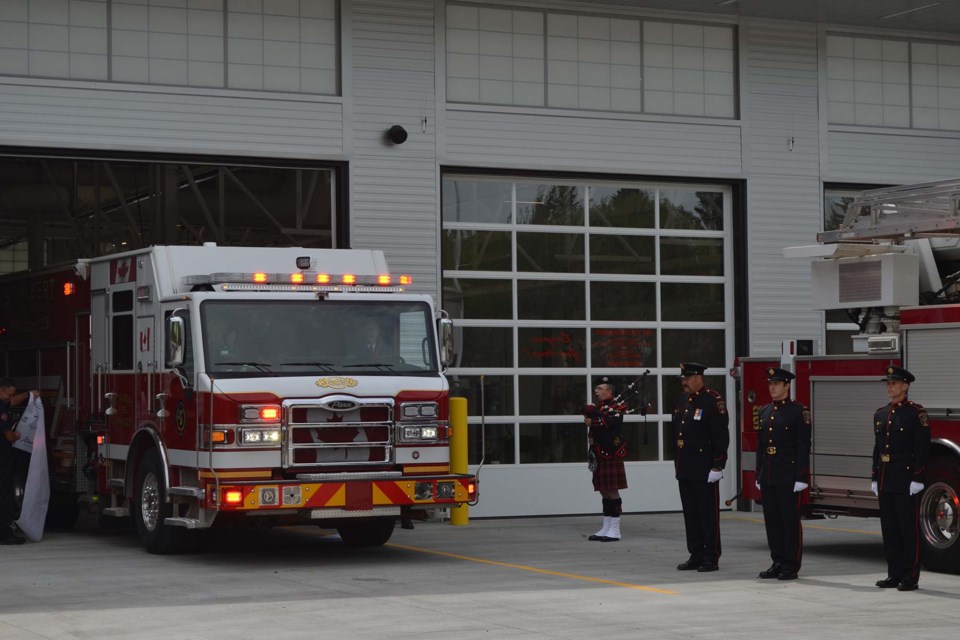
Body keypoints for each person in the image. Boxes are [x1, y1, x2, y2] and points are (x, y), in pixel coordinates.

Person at [872, 365, 930, 592]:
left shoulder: (916, 413)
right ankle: (894, 573)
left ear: (905, 386)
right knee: (890, 529)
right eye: (888, 383)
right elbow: (877, 449)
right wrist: (875, 476)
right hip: (886, 478)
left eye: (894, 383)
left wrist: (918, 477)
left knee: (908, 530)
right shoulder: (881, 413)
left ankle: (910, 576)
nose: (890, 386)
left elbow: (922, 448)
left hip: (906, 481)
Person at [754, 367, 811, 581]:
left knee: (789, 521)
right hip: (769, 473)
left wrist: (801, 476)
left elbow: (803, 445)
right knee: (772, 521)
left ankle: (791, 564)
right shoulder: (765, 410)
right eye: (770, 384)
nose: (772, 387)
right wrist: (759, 473)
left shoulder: (798, 411)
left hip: (788, 474)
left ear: (787, 385)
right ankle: (777, 561)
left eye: (776, 384)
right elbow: (761, 444)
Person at [672, 362, 729, 572]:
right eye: (683, 379)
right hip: (685, 466)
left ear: (698, 377)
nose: (684, 382)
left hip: (705, 468)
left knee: (707, 513)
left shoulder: (713, 400)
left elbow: (721, 436)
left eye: (687, 378)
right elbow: (677, 433)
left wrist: (717, 465)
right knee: (691, 513)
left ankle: (710, 555)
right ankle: (695, 552)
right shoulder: (681, 400)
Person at [585, 376, 627, 542]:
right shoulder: (600, 407)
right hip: (598, 451)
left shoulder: (616, 406)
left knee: (612, 489)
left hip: (610, 451)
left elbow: (611, 423)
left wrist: (592, 420)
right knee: (603, 490)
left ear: (609, 391)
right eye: (597, 388)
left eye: (600, 388)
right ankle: (606, 526)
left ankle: (615, 529)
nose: (596, 390)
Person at [0, 378, 39, 545]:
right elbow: (8, 435)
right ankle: (4, 534)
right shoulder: (1, 408)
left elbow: (12, 401)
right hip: (2, 459)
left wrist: (28, 395)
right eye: (9, 395)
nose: (11, 399)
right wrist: (17, 435)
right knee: (4, 495)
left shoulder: (4, 402)